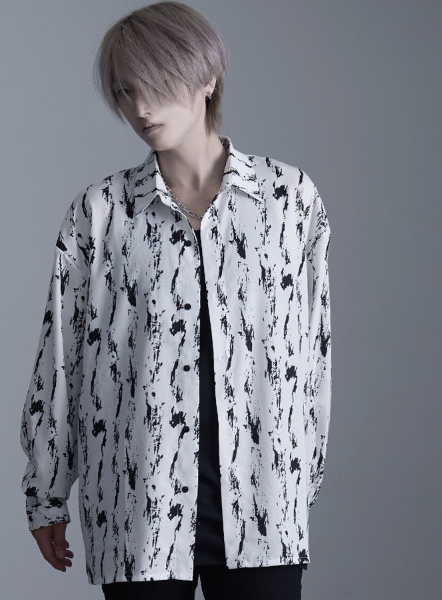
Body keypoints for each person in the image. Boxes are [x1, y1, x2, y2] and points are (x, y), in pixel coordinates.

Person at [20, 2, 332, 599]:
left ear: (208, 78)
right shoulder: (101, 213)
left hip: (261, 502)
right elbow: (60, 361)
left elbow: (312, 353)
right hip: (136, 505)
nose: (140, 108)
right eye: (124, 91)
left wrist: (297, 484)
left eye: (155, 85)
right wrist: (46, 493)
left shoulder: (288, 200)